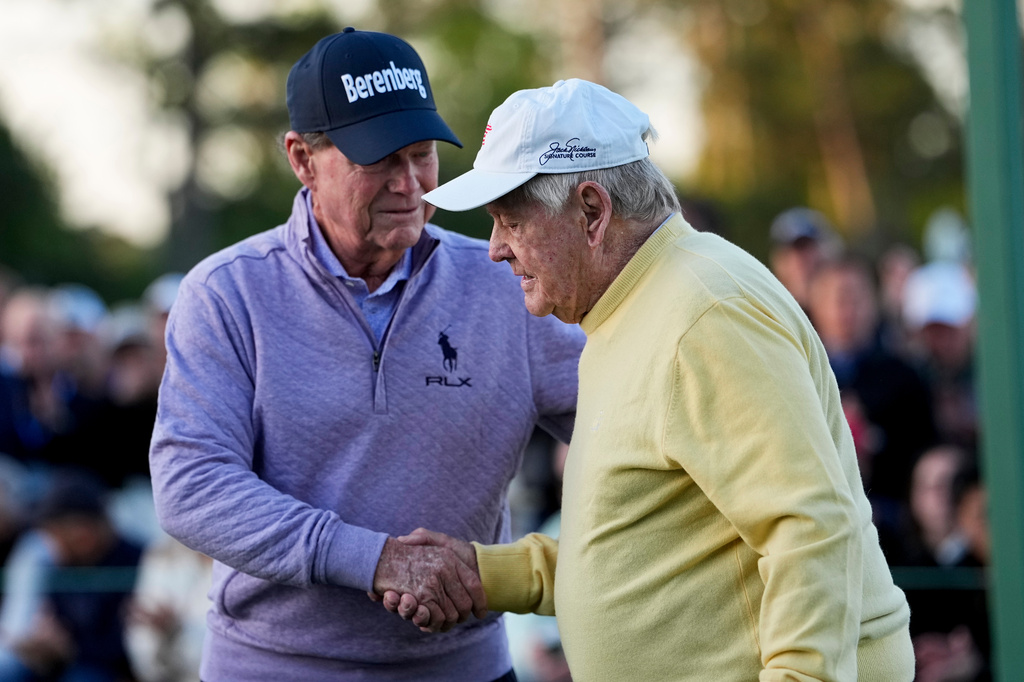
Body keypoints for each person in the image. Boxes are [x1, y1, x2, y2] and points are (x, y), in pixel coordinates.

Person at [385, 79, 914, 681]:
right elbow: (648, 546)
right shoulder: (638, 307)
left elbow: (811, 529)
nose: (496, 248)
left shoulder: (703, 314)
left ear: (591, 211)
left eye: (510, 219)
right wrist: (488, 575)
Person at [148, 28, 584, 681]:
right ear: (301, 158)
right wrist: (373, 559)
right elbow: (191, 485)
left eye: (423, 155)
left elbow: (628, 427)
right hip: (270, 668)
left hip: (461, 666)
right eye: (379, 159)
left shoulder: (506, 288)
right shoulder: (226, 294)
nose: (410, 184)